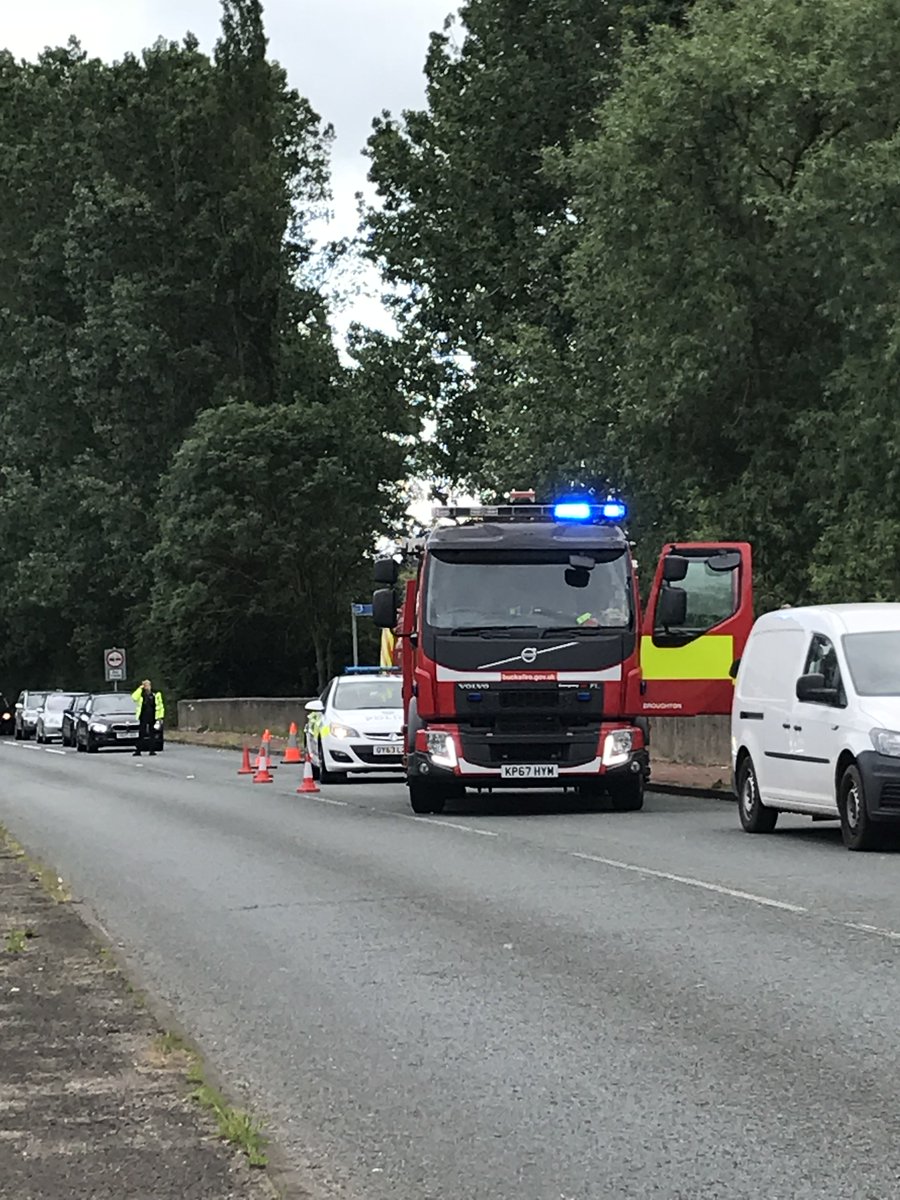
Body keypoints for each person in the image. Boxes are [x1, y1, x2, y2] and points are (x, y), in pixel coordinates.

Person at [131, 678, 164, 757]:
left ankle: (152, 750)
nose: (146, 686)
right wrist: (140, 689)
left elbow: (160, 706)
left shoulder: (156, 694)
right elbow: (134, 698)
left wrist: (160, 717)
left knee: (152, 733)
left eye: (147, 685)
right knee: (141, 733)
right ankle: (138, 750)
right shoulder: (141, 694)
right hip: (143, 715)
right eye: (145, 685)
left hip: (153, 716)